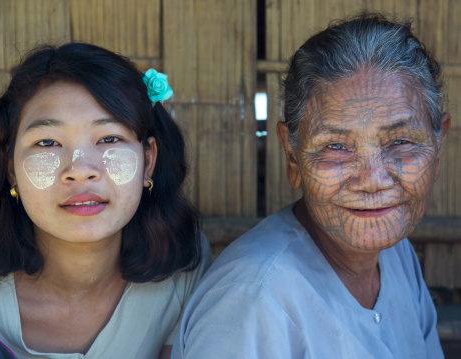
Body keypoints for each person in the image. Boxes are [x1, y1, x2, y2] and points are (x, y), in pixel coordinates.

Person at [172, 13, 449, 359]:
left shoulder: (397, 255)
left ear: (438, 149)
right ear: (292, 157)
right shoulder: (251, 301)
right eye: (336, 146)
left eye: (401, 141)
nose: (373, 180)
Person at [0, 42, 209, 359]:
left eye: (109, 138)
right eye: (47, 142)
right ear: (11, 170)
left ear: (148, 160)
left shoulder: (181, 273)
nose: (80, 170)